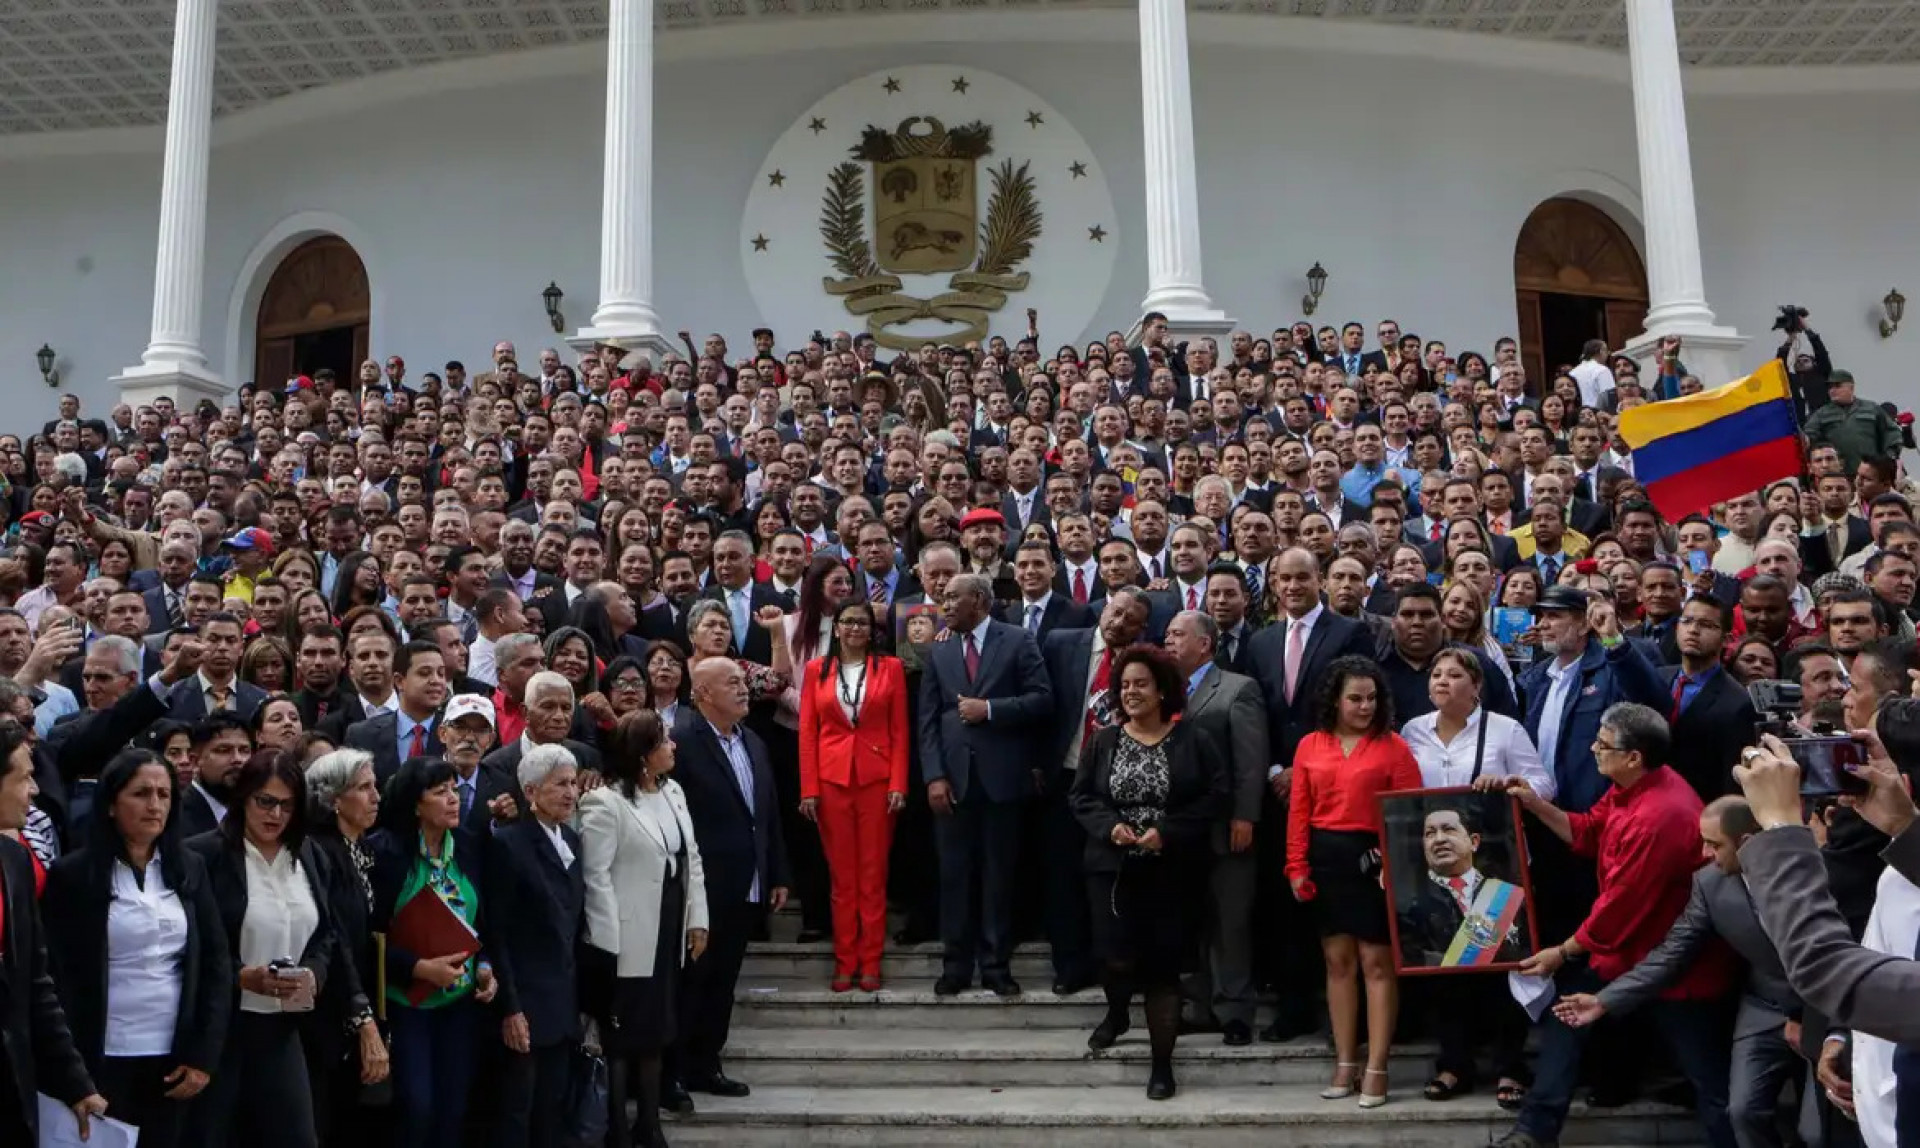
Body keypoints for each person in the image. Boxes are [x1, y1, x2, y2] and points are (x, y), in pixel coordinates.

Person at [1494, 703, 1736, 1148]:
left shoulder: (1659, 815)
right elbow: (1588, 832)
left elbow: (1621, 907)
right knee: (1567, 1018)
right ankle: (1534, 1131)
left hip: (1676, 963)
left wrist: (1562, 952)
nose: (1593, 750)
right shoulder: (1630, 787)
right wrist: (1535, 804)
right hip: (1624, 952)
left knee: (1710, 1079)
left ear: (1634, 757)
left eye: (1603, 745)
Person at [1555, 795, 1803, 1148]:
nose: (1704, 853)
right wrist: (1604, 1001)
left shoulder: (1803, 871)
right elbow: (1672, 953)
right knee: (1742, 1111)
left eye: (1714, 844)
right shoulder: (1709, 883)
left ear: (1746, 843)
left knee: (1816, 1128)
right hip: (1764, 1007)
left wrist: (1807, 1015)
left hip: (1821, 1006)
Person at [40, 748, 229, 1148]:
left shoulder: (189, 867)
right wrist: (71, 1075)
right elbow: (55, 976)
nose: (154, 805)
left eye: (164, 794)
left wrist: (203, 1056)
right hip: (100, 1057)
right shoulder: (74, 875)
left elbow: (215, 963)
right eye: (141, 793)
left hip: (173, 1059)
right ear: (111, 804)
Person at [1070, 644, 1227, 1100]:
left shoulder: (1194, 739)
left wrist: (1168, 832)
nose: (1131, 692)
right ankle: (1118, 1013)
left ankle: (1161, 1065)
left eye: (1141, 684)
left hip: (1172, 869)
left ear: (1162, 691)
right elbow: (1081, 797)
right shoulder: (1103, 741)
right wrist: (1109, 827)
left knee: (1163, 970)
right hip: (1112, 868)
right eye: (1124, 685)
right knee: (1116, 957)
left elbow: (1216, 795)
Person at [1247, 546, 1374, 1039]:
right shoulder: (1261, 641)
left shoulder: (1348, 633)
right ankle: (1293, 1007)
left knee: (1338, 904)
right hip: (1277, 790)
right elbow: (1257, 714)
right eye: (1285, 579)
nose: (1293, 587)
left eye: (1303, 577)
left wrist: (1302, 769)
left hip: (1332, 789)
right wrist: (1276, 769)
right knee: (1285, 903)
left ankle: (1350, 1016)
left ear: (1319, 579)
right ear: (1274, 584)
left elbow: (1354, 709)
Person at [1287, 655, 1422, 1109]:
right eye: (1355, 699)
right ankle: (1345, 1063)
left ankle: (1378, 1067)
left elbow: (1409, 813)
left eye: (1372, 698)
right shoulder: (1310, 744)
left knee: (1377, 964)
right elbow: (1299, 811)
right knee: (1337, 962)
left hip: (1375, 862)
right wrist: (1296, 866)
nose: (1365, 707)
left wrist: (1394, 861)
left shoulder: (1394, 746)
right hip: (1326, 859)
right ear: (1335, 700)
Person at [185, 751, 335, 1148]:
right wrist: (240, 975)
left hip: (282, 1027)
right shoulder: (204, 855)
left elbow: (326, 935)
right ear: (243, 797)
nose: (275, 814)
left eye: (287, 805)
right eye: (265, 801)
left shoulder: (308, 855)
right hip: (221, 1028)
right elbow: (192, 944)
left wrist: (314, 973)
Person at [916, 573, 1052, 997]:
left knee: (999, 878)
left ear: (977, 600)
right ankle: (956, 966)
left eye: (951, 597)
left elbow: (1042, 699)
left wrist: (990, 709)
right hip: (952, 782)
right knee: (954, 877)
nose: (943, 604)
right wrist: (934, 775)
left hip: (1002, 781)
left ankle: (996, 966)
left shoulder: (1018, 640)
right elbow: (927, 720)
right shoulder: (939, 649)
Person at [580, 711, 705, 1145]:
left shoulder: (673, 792)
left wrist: (698, 919)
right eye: (664, 741)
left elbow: (691, 858)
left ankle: (649, 1123)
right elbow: (596, 876)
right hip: (625, 937)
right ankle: (617, 1127)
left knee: (656, 1030)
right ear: (643, 753)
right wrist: (607, 943)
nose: (673, 746)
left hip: (667, 927)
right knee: (622, 1035)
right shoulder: (606, 802)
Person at [668, 660, 787, 1106]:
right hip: (701, 888)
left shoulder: (752, 740)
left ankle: (707, 1064)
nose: (743, 689)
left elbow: (767, 812)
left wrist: (776, 871)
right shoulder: (682, 741)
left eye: (743, 682)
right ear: (702, 692)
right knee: (692, 981)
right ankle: (673, 1072)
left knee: (723, 982)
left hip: (747, 882)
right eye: (732, 683)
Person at [369, 755, 499, 1148]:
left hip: (459, 1002)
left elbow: (485, 923)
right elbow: (368, 938)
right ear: (415, 804)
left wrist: (486, 966)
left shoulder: (470, 846)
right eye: (440, 792)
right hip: (407, 1002)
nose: (453, 799)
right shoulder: (385, 854)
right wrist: (418, 967)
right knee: (417, 1106)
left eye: (454, 790)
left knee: (453, 1107)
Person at [1038, 588, 1154, 997]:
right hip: (1066, 777)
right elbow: (1043, 703)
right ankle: (1069, 966)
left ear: (1142, 628)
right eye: (1115, 612)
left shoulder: (1145, 662)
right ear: (1104, 607)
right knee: (1061, 876)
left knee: (1111, 882)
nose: (1118, 622)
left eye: (1130, 620)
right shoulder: (1060, 643)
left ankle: (1114, 967)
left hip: (1118, 789)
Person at [0, 714, 109, 1144]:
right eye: (24, 777)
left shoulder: (16, 862)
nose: (34, 790)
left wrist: (75, 1083)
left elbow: (36, 985)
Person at [1160, 610, 1267, 1045]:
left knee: (1230, 921)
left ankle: (1235, 1011)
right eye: (1167, 634)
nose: (1168, 641)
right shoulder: (1165, 691)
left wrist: (1245, 815)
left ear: (1204, 644)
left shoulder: (1238, 689)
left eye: (1177, 634)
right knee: (1193, 921)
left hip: (1227, 827)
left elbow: (1250, 760)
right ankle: (1200, 1007)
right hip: (1181, 830)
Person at [797, 599, 909, 991]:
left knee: (873, 875)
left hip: (878, 781)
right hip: (831, 782)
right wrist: (809, 788)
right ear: (837, 627)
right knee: (842, 878)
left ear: (872, 629)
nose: (855, 628)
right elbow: (807, 733)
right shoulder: (817, 670)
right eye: (848, 622)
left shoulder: (890, 668)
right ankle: (845, 961)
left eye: (862, 622)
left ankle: (871, 962)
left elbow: (900, 730)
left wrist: (898, 783)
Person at [488, 743, 585, 1148]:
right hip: (525, 1003)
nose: (570, 793)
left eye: (573, 783)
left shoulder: (572, 841)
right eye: (559, 784)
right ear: (530, 791)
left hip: (562, 1003)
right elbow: (497, 933)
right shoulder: (509, 844)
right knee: (517, 1110)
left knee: (553, 1108)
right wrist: (511, 1008)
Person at [302, 748, 389, 1147]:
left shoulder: (362, 848)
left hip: (360, 1002)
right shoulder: (320, 851)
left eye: (375, 786)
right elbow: (334, 939)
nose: (376, 797)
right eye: (363, 788)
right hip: (330, 1012)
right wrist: (363, 1020)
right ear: (333, 798)